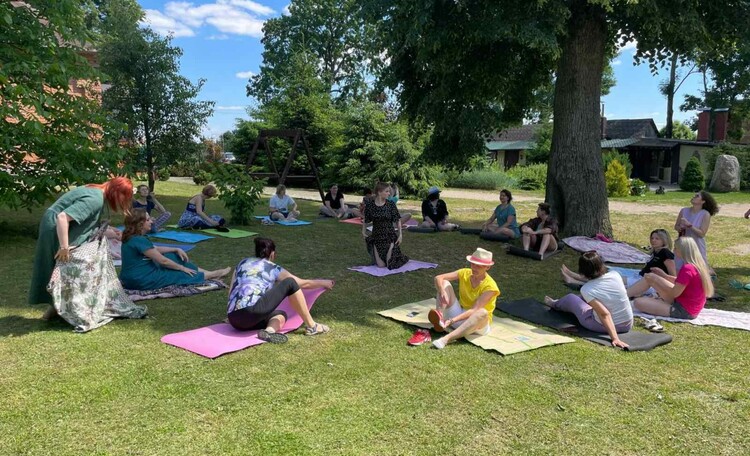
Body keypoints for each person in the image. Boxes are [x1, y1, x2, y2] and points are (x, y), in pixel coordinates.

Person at [29, 177, 134, 313]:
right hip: (55, 227)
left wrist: (109, 229)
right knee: (61, 265)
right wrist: (64, 247)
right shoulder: (95, 198)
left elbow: (87, 221)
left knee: (63, 267)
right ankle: (58, 307)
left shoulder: (96, 191)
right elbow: (62, 217)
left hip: (58, 225)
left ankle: (56, 308)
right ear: (116, 191)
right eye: (123, 196)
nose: (122, 201)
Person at [227, 237, 334, 342]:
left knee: (280, 315)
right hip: (252, 313)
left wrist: (231, 316)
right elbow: (302, 283)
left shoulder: (242, 263)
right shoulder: (273, 268)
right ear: (272, 254)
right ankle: (312, 326)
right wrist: (323, 282)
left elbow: (231, 292)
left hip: (234, 320)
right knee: (290, 282)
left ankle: (268, 332)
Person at [119, 209, 231, 290]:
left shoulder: (133, 237)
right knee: (179, 275)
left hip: (134, 276)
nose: (152, 222)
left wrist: (175, 249)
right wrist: (182, 268)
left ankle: (208, 273)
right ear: (140, 223)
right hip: (141, 279)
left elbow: (155, 249)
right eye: (148, 220)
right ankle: (213, 275)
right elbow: (163, 261)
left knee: (174, 256)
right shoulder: (138, 240)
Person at [544, 251, 632, 349]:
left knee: (571, 298)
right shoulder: (615, 275)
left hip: (600, 325)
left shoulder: (587, 289)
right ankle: (560, 301)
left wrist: (615, 338)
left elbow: (605, 314)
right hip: (627, 324)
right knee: (582, 298)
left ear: (583, 271)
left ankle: (555, 304)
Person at [425, 248, 500, 350]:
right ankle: (440, 318)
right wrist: (442, 291)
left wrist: (452, 320)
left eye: (478, 266)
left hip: (476, 325)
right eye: (473, 264)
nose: (474, 267)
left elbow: (474, 310)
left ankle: (445, 339)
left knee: (482, 312)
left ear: (487, 267)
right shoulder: (465, 272)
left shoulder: (490, 286)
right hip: (459, 314)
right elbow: (439, 278)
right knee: (444, 283)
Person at [632, 237, 714, 319]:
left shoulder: (687, 268)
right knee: (650, 277)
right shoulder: (697, 266)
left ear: (682, 250)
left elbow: (674, 293)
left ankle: (624, 296)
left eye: (675, 248)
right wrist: (664, 276)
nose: (674, 250)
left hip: (683, 310)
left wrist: (658, 283)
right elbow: (681, 283)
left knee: (638, 302)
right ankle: (625, 295)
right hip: (689, 306)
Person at [362, 182, 410, 269]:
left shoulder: (390, 204)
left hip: (389, 236)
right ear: (379, 192)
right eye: (387, 191)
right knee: (381, 266)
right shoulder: (370, 205)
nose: (389, 193)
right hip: (377, 237)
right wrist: (363, 231)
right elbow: (366, 219)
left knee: (389, 264)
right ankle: (377, 249)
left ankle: (392, 249)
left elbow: (397, 219)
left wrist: (400, 235)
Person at [674, 190, 718, 271]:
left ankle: (710, 273)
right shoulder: (684, 210)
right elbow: (676, 226)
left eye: (697, 196)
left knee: (698, 269)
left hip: (696, 245)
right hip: (682, 243)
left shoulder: (705, 214)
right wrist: (679, 228)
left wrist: (690, 225)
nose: (694, 196)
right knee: (678, 268)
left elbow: (702, 234)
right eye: (694, 195)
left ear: (703, 201)